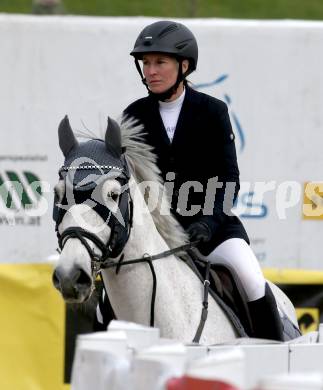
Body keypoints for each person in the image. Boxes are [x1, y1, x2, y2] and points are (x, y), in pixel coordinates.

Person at [123, 20, 286, 341]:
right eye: (146, 63)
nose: (150, 71)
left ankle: (274, 350)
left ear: (183, 66)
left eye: (160, 62)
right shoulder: (133, 115)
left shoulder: (212, 112)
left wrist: (208, 223)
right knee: (109, 293)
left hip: (213, 232)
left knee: (252, 279)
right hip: (156, 238)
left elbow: (228, 180)